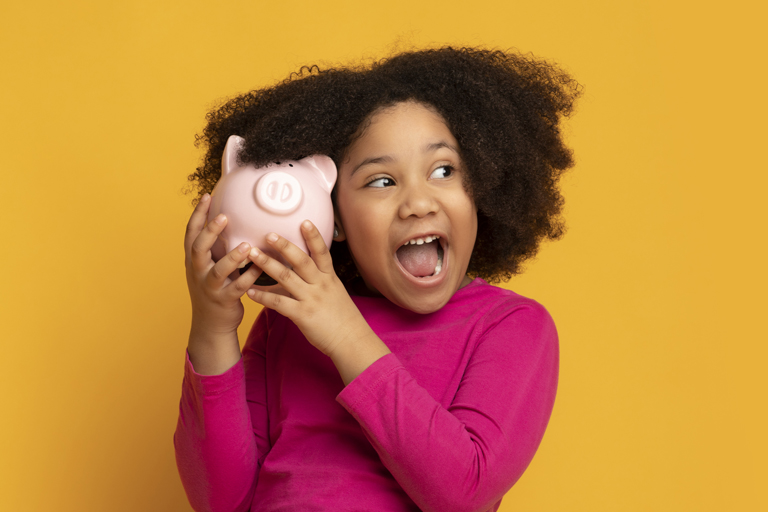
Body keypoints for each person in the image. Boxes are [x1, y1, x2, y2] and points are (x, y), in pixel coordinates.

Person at [175, 47, 580, 512]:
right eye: (381, 181)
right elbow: (222, 499)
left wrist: (346, 335)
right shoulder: (287, 323)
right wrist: (212, 327)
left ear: (481, 187)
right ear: (334, 216)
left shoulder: (512, 325)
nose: (418, 202)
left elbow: (463, 492)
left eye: (443, 171)